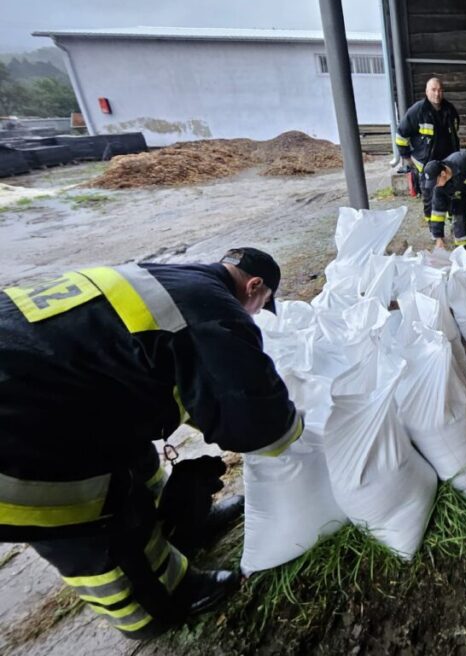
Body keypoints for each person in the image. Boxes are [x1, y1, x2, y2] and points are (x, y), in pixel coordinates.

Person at [0, 248, 303, 640]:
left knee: (135, 459)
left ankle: (176, 528)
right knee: (100, 514)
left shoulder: (168, 279)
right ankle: (157, 607)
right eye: (262, 305)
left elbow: (171, 370)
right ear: (254, 286)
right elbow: (258, 426)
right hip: (19, 431)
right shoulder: (213, 310)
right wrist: (298, 430)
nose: (259, 313)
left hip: (44, 380)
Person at [395, 77, 461, 220]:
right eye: (433, 90)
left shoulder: (450, 109)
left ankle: (455, 227)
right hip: (426, 164)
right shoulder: (417, 111)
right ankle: (434, 230)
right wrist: (406, 157)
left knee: (451, 194)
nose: (437, 94)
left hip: (447, 162)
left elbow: (455, 132)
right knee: (430, 198)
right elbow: (401, 135)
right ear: (426, 91)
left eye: (440, 90)